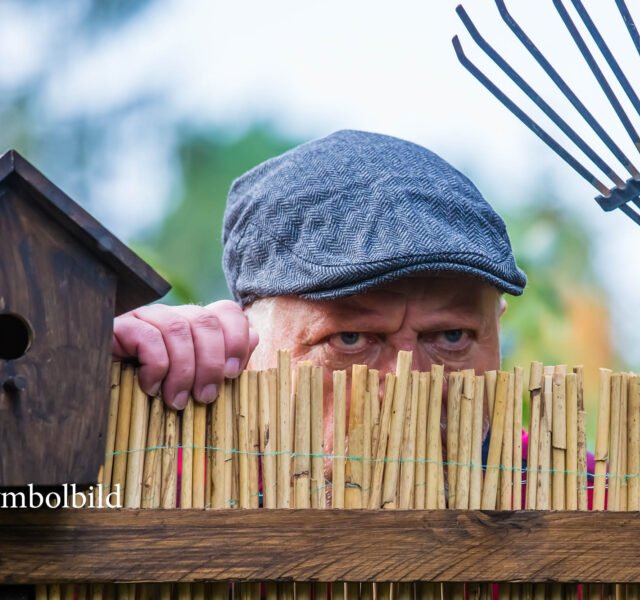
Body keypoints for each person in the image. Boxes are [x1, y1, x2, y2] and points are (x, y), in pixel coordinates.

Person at [112, 129, 528, 450]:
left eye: (451, 337)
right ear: (246, 342)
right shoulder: (158, 474)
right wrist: (89, 380)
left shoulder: (572, 493)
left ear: (497, 327)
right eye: (349, 340)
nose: (407, 391)